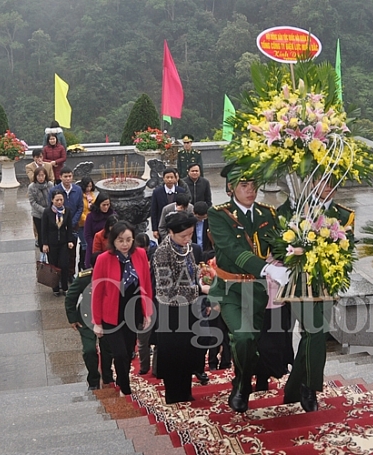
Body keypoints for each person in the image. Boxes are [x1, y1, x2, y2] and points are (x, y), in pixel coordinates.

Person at [207, 163, 289, 413]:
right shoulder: (218, 214)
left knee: (253, 342)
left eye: (254, 185)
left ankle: (244, 377)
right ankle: (241, 385)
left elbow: (278, 245)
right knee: (242, 337)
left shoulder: (267, 214)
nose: (250, 190)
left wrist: (292, 252)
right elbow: (233, 250)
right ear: (231, 188)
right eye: (244, 186)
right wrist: (265, 269)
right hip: (230, 288)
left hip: (259, 291)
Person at [279, 179, 355, 412]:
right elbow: (280, 242)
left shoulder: (344, 214)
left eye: (333, 180)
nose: (329, 185)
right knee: (315, 331)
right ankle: (310, 388)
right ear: (312, 182)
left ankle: (295, 386)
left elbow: (348, 249)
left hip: (326, 282)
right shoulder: (294, 207)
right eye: (323, 180)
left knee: (317, 333)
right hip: (299, 281)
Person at [152, 211, 211, 404]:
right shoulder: (162, 252)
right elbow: (167, 288)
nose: (188, 239)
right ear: (170, 232)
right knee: (173, 355)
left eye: (190, 235)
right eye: (183, 236)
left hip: (189, 308)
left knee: (187, 352)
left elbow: (193, 273)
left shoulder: (189, 248)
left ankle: (186, 392)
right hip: (171, 311)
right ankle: (173, 396)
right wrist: (199, 289)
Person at [92, 221, 153, 396]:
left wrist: (147, 312)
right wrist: (97, 322)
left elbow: (146, 284)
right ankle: (125, 389)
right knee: (119, 353)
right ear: (113, 241)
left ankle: (122, 377)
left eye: (128, 240)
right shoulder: (104, 259)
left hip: (133, 311)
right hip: (111, 313)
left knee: (128, 351)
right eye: (120, 240)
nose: (125, 244)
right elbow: (97, 291)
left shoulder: (140, 254)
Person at [64, 267, 114, 390]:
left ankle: (107, 376)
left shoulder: (113, 275)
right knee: (89, 350)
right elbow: (70, 297)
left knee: (108, 350)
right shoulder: (84, 278)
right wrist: (73, 318)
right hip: (87, 318)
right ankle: (93, 379)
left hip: (106, 318)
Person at [50, 167, 83, 279]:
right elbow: (51, 208)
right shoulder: (55, 190)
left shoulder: (78, 190)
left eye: (70, 176)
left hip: (73, 226)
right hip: (59, 226)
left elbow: (80, 207)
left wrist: (72, 222)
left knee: (72, 251)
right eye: (65, 176)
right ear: (60, 177)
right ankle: (59, 275)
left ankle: (70, 273)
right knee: (59, 252)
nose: (68, 179)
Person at [41, 190, 75, 296]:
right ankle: (55, 287)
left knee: (64, 265)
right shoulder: (47, 212)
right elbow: (43, 229)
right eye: (57, 200)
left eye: (61, 200)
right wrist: (45, 243)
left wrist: (70, 240)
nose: (59, 202)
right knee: (54, 266)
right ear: (52, 200)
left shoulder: (67, 211)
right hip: (52, 243)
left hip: (63, 242)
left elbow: (69, 227)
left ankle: (65, 287)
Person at [134, 233, 154, 375]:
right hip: (139, 302)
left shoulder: (157, 255)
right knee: (143, 340)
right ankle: (144, 366)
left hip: (154, 301)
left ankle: (156, 367)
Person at [150, 167, 186, 240]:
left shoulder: (181, 191)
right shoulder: (157, 192)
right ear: (163, 178)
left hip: (178, 226)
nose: (169, 179)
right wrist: (155, 229)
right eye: (167, 177)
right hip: (162, 226)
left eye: (172, 177)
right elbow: (154, 211)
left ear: (175, 178)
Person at [84, 192, 115, 269]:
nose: (106, 207)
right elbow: (87, 234)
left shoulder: (113, 215)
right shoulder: (91, 216)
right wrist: (95, 245)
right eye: (104, 205)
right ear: (99, 204)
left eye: (108, 205)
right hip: (94, 248)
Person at [28, 167, 54, 252]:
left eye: (42, 175)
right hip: (38, 215)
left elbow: (53, 198)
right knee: (41, 233)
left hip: (50, 212)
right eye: (39, 176)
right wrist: (44, 210)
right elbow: (32, 202)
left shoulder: (50, 185)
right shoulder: (32, 187)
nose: (41, 178)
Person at [77, 177, 96, 271]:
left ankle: (83, 262)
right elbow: (80, 210)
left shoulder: (92, 195)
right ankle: (83, 263)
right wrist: (87, 220)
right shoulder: (80, 196)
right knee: (85, 244)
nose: (89, 188)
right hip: (82, 223)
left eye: (90, 186)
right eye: (87, 186)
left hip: (91, 223)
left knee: (87, 244)